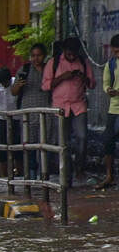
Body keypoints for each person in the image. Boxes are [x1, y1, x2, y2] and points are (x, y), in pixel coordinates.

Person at [42, 36, 95, 183]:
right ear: (64, 51)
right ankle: (66, 173)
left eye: (74, 54)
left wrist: (84, 78)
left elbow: (92, 84)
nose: (72, 56)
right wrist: (62, 77)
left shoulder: (84, 62)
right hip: (60, 106)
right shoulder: (54, 63)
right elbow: (45, 86)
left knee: (82, 138)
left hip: (79, 105)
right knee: (63, 142)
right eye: (69, 53)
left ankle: (79, 168)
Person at [12, 43, 51, 179]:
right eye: (33, 56)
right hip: (27, 113)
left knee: (45, 145)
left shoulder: (49, 69)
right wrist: (19, 85)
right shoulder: (25, 69)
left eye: (38, 55)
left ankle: (44, 175)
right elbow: (14, 92)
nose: (36, 58)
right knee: (29, 145)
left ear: (44, 56)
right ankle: (32, 175)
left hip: (46, 113)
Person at [0, 67, 19, 178]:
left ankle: (19, 173)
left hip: (16, 118)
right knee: (0, 148)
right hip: (1, 118)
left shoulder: (15, 82)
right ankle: (3, 175)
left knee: (17, 147)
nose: (4, 84)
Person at [99, 35, 119, 188]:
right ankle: (109, 175)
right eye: (116, 51)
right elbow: (105, 84)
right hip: (114, 108)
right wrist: (109, 90)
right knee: (108, 141)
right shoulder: (110, 64)